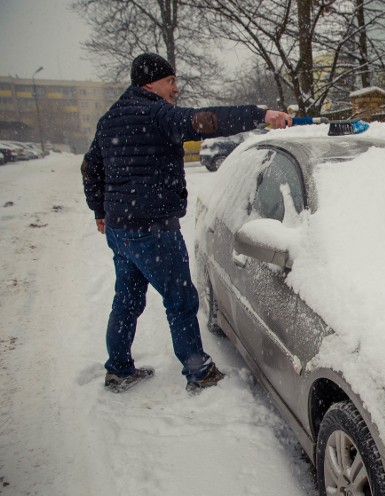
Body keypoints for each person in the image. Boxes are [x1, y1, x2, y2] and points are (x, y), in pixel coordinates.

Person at [82, 53, 292, 394]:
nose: (175, 88)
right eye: (170, 81)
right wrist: (260, 115)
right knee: (179, 300)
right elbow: (203, 121)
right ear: (151, 83)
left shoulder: (109, 119)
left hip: (121, 230)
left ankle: (118, 368)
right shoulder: (155, 112)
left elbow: (91, 167)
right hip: (153, 229)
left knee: (127, 299)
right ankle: (198, 371)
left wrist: (99, 211)